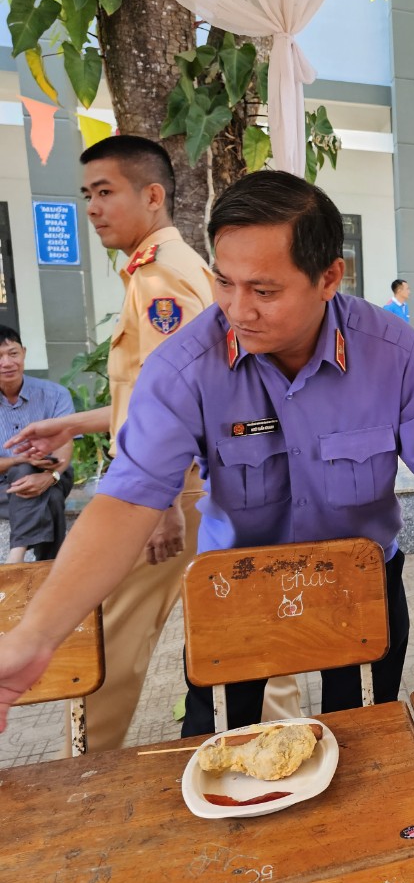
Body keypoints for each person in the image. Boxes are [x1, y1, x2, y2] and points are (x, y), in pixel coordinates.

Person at [0, 170, 414, 739]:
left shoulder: (394, 353)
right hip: (235, 589)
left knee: (366, 744)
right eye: (225, 283)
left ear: (330, 277)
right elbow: (126, 502)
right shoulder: (183, 368)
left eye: (264, 290)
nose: (237, 308)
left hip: (363, 581)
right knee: (219, 747)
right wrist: (33, 639)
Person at [5, 135, 244, 752]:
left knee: (107, 636)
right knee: (239, 611)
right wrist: (76, 425)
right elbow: (147, 394)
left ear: (154, 196)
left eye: (106, 192)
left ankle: (84, 771)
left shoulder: (160, 276)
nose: (93, 207)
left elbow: (184, 402)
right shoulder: (169, 266)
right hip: (179, 484)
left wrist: (161, 505)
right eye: (88, 194)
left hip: (165, 492)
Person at [0, 327, 74, 563]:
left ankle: (15, 558)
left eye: (13, 353)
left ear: (24, 352)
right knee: (49, 497)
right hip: (3, 487)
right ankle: (50, 567)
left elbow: (65, 444)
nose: (7, 362)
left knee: (31, 476)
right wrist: (20, 460)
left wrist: (51, 475)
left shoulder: (55, 394)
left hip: (53, 472)